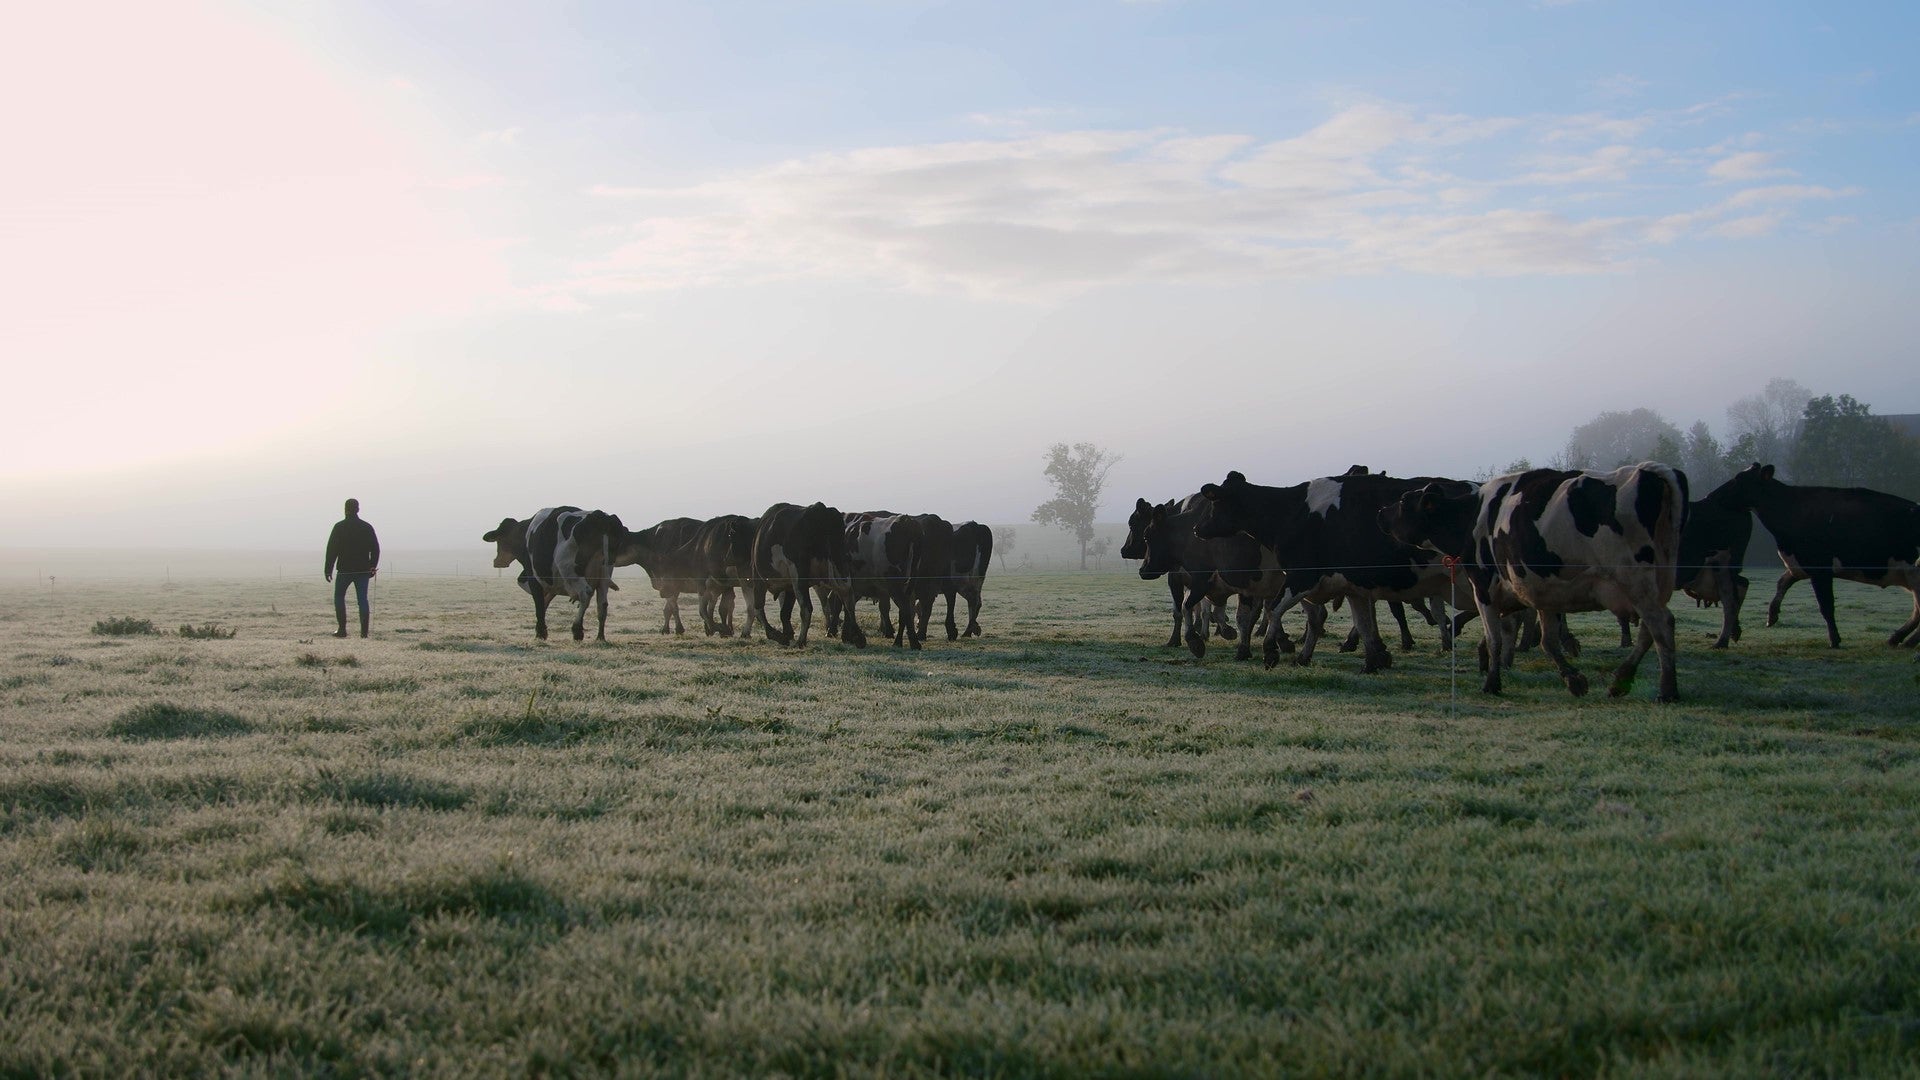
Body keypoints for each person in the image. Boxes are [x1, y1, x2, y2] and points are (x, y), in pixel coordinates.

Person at [324, 498, 380, 638]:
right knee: (362, 599)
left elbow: (331, 549)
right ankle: (364, 633)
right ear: (358, 509)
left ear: (345, 509)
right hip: (362, 570)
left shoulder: (339, 527)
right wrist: (373, 565)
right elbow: (375, 548)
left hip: (344, 569)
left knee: (339, 597)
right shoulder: (366, 527)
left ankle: (342, 629)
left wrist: (328, 568)